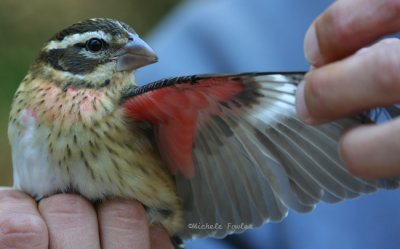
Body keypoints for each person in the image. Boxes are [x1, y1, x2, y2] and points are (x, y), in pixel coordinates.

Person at [2, 0, 400, 248]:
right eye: (97, 49)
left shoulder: (150, 103)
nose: (140, 54)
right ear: (58, 60)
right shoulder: (223, 36)